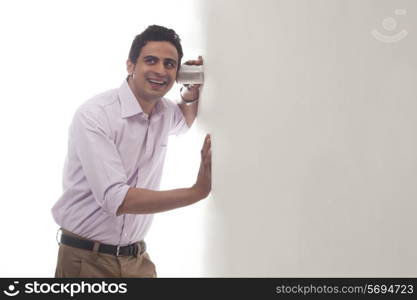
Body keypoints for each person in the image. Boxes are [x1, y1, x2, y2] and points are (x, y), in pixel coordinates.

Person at [51, 25, 211, 278]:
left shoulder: (165, 112)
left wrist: (190, 88)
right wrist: (197, 192)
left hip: (137, 259)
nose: (160, 70)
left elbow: (184, 120)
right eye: (151, 60)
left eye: (169, 64)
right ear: (130, 65)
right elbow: (117, 198)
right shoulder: (95, 115)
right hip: (86, 261)